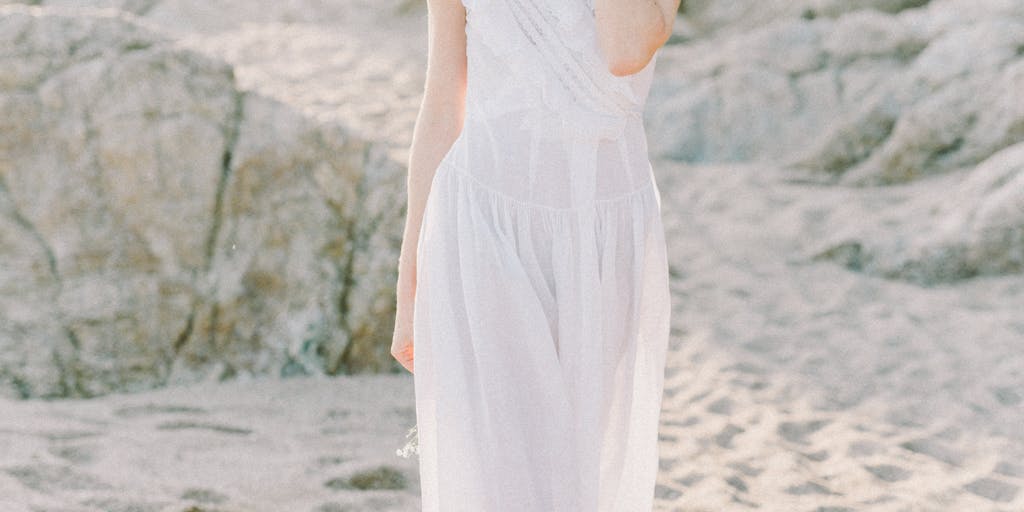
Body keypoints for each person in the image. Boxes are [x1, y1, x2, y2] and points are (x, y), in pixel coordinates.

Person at [392, 0, 678, 509]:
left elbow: (627, 49)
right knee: (501, 469)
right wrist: (409, 278)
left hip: (601, 235)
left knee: (579, 468)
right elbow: (442, 100)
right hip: (483, 218)